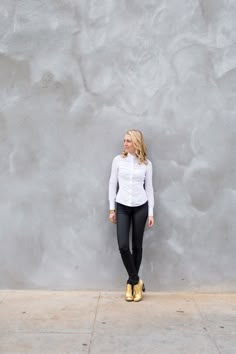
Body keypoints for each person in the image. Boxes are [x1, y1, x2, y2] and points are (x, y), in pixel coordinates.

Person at [108, 129, 154, 302]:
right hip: (122, 207)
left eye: (128, 141)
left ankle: (131, 285)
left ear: (136, 143)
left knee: (137, 246)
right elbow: (112, 184)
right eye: (124, 140)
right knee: (123, 246)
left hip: (140, 207)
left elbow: (149, 189)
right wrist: (112, 209)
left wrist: (150, 212)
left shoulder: (147, 164)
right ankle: (136, 280)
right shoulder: (118, 160)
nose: (124, 143)